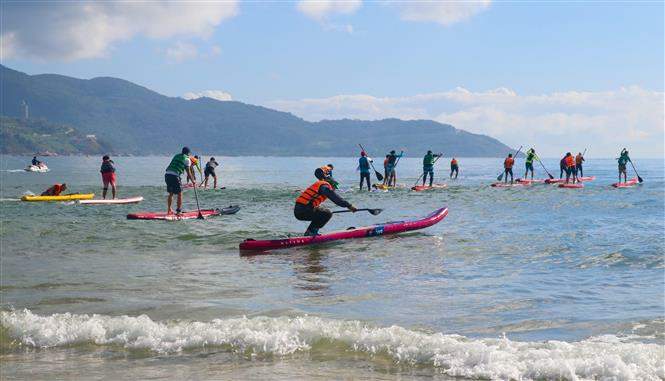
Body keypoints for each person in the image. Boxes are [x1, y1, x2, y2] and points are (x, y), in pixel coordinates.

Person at [295, 165, 357, 236]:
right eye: (334, 187)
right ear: (331, 183)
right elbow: (336, 199)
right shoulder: (325, 186)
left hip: (301, 209)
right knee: (327, 213)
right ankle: (311, 233)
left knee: (322, 210)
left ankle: (310, 232)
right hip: (303, 210)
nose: (334, 189)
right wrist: (350, 206)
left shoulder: (320, 184)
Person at [165, 147, 195, 215]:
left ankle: (169, 209)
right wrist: (193, 181)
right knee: (180, 193)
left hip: (167, 175)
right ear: (188, 153)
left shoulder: (176, 155)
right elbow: (188, 172)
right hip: (175, 176)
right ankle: (178, 211)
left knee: (171, 193)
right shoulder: (187, 159)